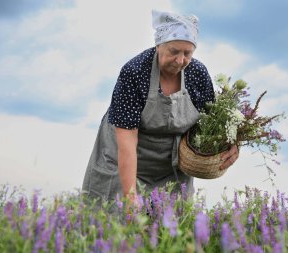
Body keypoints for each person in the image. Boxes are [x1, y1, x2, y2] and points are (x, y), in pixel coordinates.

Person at [81, 10, 239, 207]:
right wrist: (130, 198)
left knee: (170, 229)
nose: (181, 60)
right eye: (174, 51)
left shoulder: (198, 74)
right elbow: (127, 140)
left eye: (187, 53)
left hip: (170, 168)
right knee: (116, 223)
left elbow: (210, 123)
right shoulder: (135, 72)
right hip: (123, 159)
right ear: (158, 45)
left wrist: (229, 144)